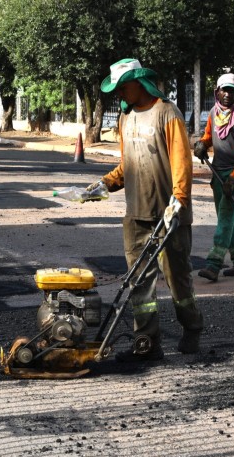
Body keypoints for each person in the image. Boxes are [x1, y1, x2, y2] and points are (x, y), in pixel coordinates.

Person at [85, 58, 204, 361]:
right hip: (136, 214)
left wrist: (179, 200)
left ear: (138, 83)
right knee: (140, 284)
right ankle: (147, 340)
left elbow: (182, 163)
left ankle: (192, 328)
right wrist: (104, 184)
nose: (119, 94)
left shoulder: (167, 113)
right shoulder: (126, 119)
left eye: (123, 87)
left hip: (169, 215)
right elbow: (128, 165)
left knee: (178, 280)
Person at [192, 73, 234, 282]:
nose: (227, 94)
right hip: (218, 172)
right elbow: (210, 136)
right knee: (224, 218)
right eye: (223, 90)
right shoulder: (213, 113)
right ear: (216, 92)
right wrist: (202, 144)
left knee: (227, 215)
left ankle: (214, 263)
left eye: (231, 90)